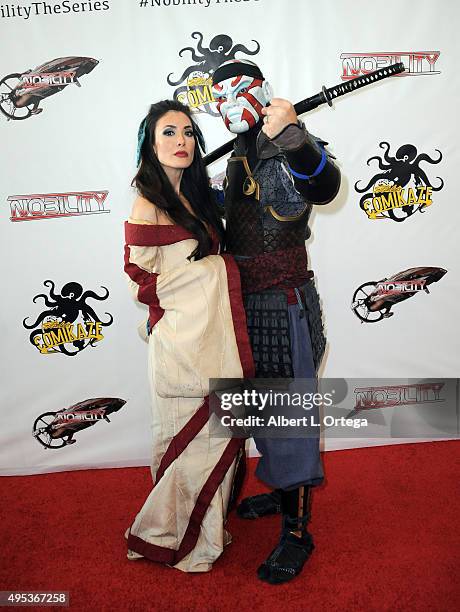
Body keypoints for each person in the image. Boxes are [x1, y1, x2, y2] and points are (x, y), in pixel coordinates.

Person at [211, 60, 341, 584]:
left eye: (234, 92)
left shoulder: (291, 142)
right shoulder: (238, 154)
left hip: (283, 302)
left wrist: (293, 135)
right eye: (215, 94)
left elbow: (324, 185)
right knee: (257, 411)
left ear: (259, 93)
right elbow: (226, 213)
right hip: (240, 304)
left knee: (289, 417)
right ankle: (280, 490)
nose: (223, 103)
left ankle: (297, 528)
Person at [123, 99, 254, 572]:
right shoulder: (148, 203)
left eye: (187, 133)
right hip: (181, 345)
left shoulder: (195, 198)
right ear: (150, 144)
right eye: (168, 133)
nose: (181, 142)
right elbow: (144, 279)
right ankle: (171, 537)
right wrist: (213, 272)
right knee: (187, 442)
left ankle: (207, 533)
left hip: (210, 341)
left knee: (212, 439)